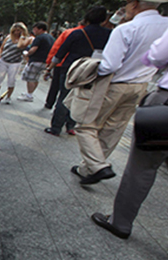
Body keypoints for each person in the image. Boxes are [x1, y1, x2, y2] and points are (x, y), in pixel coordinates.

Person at [71, 0, 168, 185]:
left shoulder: (127, 28)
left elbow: (109, 65)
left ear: (134, 4)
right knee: (113, 128)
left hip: (114, 84)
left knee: (85, 124)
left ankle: (98, 166)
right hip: (141, 85)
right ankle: (87, 168)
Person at [91, 26, 168, 238]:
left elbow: (156, 56)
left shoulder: (129, 28)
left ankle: (120, 222)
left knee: (143, 166)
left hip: (164, 103)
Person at [45, 6, 111, 136]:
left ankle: (56, 127)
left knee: (64, 97)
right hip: (92, 70)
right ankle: (71, 126)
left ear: (86, 18)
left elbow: (60, 53)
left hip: (72, 69)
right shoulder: (109, 34)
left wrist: (50, 68)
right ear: (104, 20)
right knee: (81, 98)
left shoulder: (77, 33)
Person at [45, 23, 85, 109]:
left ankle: (49, 103)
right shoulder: (95, 34)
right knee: (69, 90)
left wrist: (49, 63)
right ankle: (64, 108)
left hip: (61, 63)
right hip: (81, 66)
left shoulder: (69, 32)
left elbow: (56, 47)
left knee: (55, 85)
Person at [17, 22, 55, 102]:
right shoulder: (51, 38)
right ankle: (30, 93)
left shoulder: (39, 38)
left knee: (30, 78)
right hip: (45, 61)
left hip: (36, 60)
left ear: (40, 29)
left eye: (35, 29)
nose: (34, 31)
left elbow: (33, 49)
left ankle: (29, 95)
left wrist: (27, 53)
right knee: (36, 78)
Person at [0, 23, 28, 104]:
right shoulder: (8, 37)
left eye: (18, 30)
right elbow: (2, 47)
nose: (16, 32)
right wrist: (0, 56)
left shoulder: (23, 40)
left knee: (11, 80)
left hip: (15, 62)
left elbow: (21, 47)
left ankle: (8, 97)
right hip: (4, 60)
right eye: (14, 30)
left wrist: (22, 37)